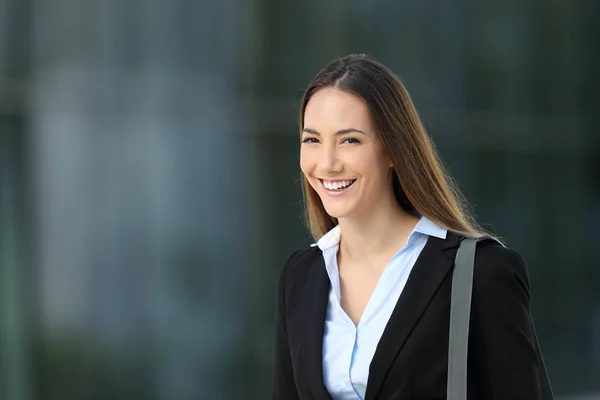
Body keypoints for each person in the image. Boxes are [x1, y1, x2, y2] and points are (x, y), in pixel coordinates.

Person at [271, 54, 551, 400]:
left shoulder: (480, 272)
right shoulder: (301, 276)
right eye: (312, 140)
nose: (327, 163)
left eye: (350, 140)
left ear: (393, 149)